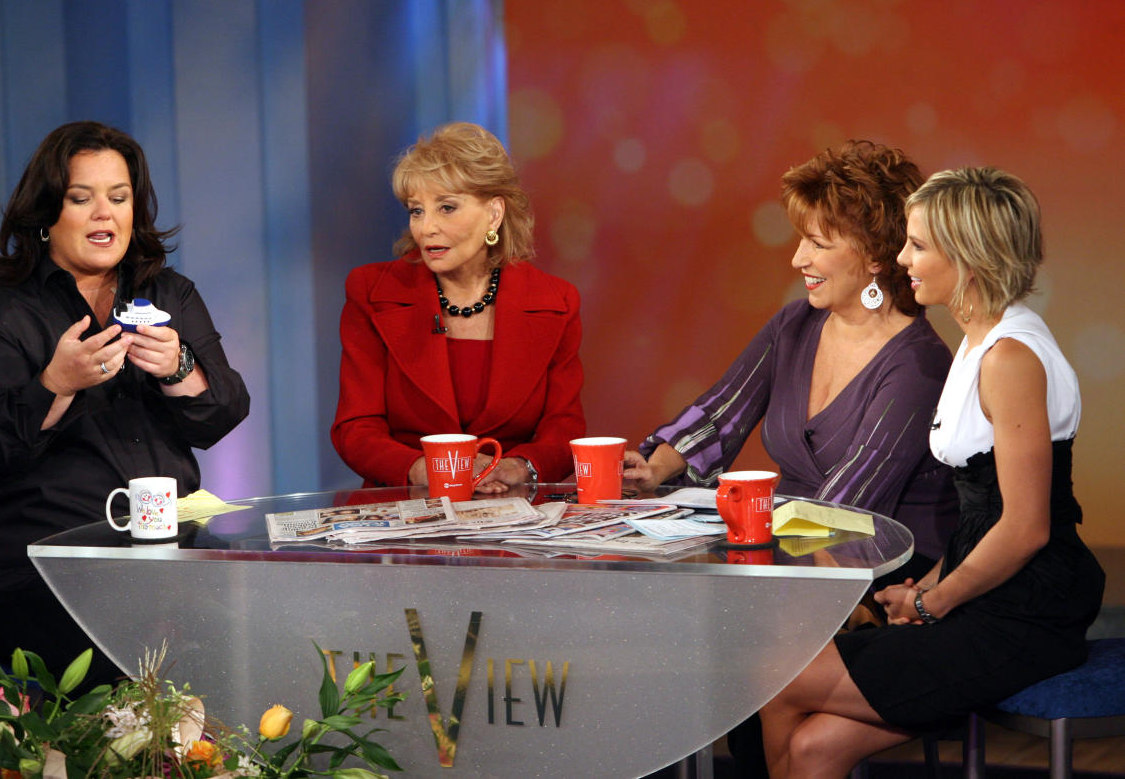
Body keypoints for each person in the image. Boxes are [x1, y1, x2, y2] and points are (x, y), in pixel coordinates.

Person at [758, 168, 1105, 778]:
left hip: (1024, 614)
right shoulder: (977, 341)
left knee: (776, 676)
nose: (901, 258)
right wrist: (923, 591)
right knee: (813, 748)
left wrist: (932, 603)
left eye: (917, 245)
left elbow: (1025, 528)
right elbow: (981, 515)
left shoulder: (1011, 357)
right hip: (983, 597)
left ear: (970, 257)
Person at [0, 121, 250, 685]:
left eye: (119, 197)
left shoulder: (168, 294)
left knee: (256, 625)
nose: (104, 214)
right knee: (111, 642)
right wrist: (56, 383)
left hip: (165, 556)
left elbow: (224, 414)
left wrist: (178, 366)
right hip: (37, 566)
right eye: (81, 199)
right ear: (44, 216)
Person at [625, 140, 958, 579]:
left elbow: (847, 511)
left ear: (876, 254)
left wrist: (736, 549)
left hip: (879, 571)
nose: (798, 258)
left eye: (817, 243)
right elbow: (722, 412)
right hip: (787, 549)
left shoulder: (919, 365)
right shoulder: (795, 323)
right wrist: (653, 470)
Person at [331, 122, 585, 491]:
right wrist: (422, 470)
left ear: (494, 213)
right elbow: (355, 428)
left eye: (446, 207)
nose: (426, 228)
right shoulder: (371, 291)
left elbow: (565, 428)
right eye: (417, 211)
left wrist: (519, 467)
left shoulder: (556, 302)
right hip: (406, 513)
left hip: (514, 513)